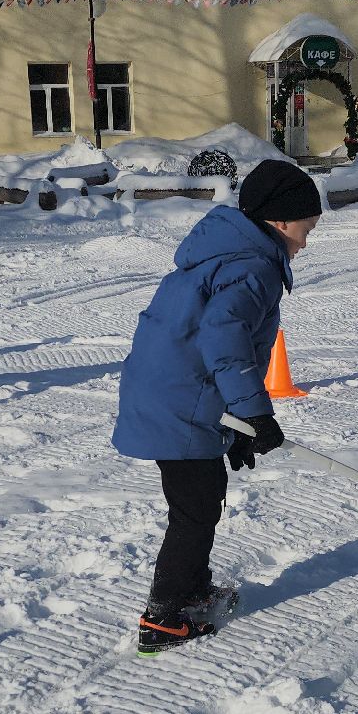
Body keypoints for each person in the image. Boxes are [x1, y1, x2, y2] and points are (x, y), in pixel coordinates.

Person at [111, 161, 323, 653]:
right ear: (280, 221)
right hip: (181, 404)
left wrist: (234, 428)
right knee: (195, 511)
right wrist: (255, 413)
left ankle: (192, 590)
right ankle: (162, 619)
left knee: (201, 499)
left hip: (175, 394)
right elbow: (225, 342)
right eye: (306, 229)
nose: (306, 243)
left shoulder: (226, 253)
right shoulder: (253, 267)